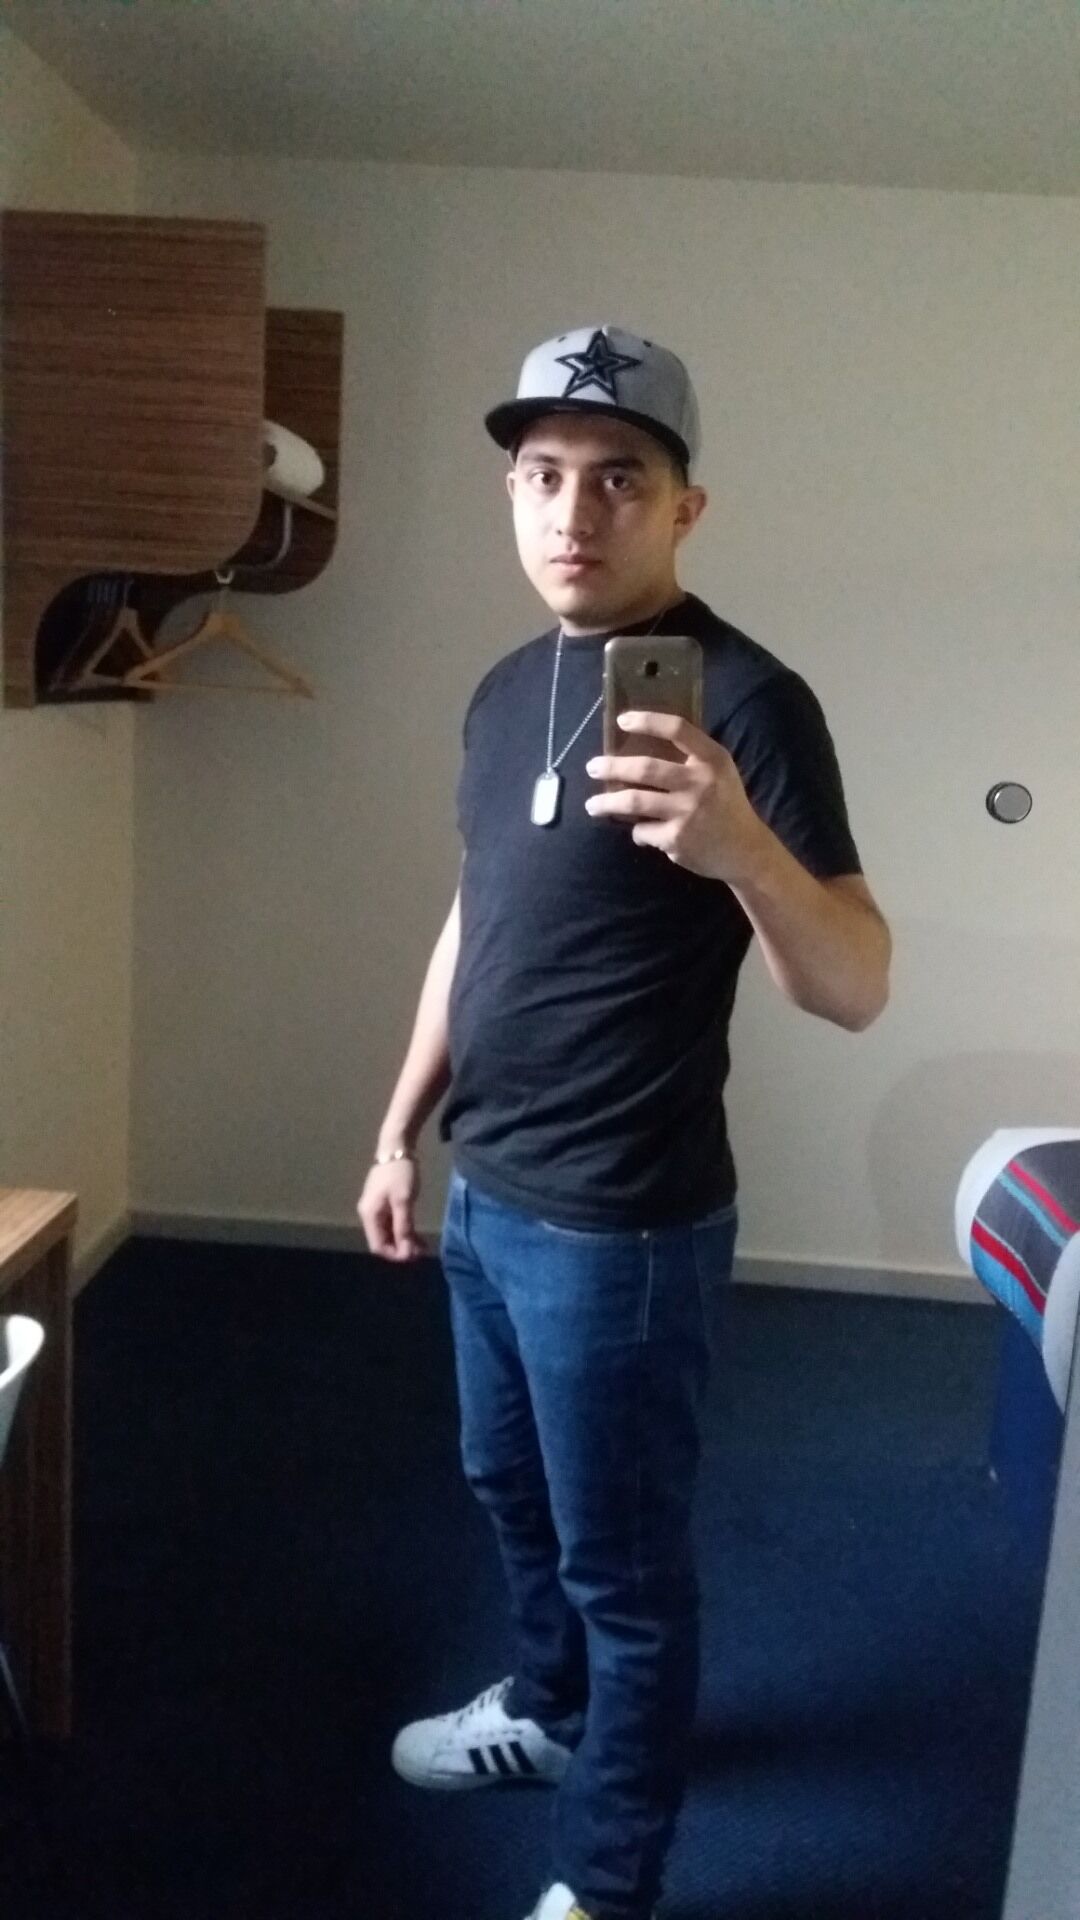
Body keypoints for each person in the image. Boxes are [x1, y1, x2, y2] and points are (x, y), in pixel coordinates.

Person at [357, 324, 892, 1920]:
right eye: (543, 476)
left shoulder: (752, 703)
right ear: (512, 495)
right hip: (486, 1191)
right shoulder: (506, 688)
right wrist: (399, 1127)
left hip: (624, 1229)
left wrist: (743, 849)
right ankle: (547, 1710)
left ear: (683, 508)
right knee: (506, 1491)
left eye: (618, 479)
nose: (572, 513)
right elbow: (477, 922)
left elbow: (856, 984)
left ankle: (608, 1881)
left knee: (627, 1571)